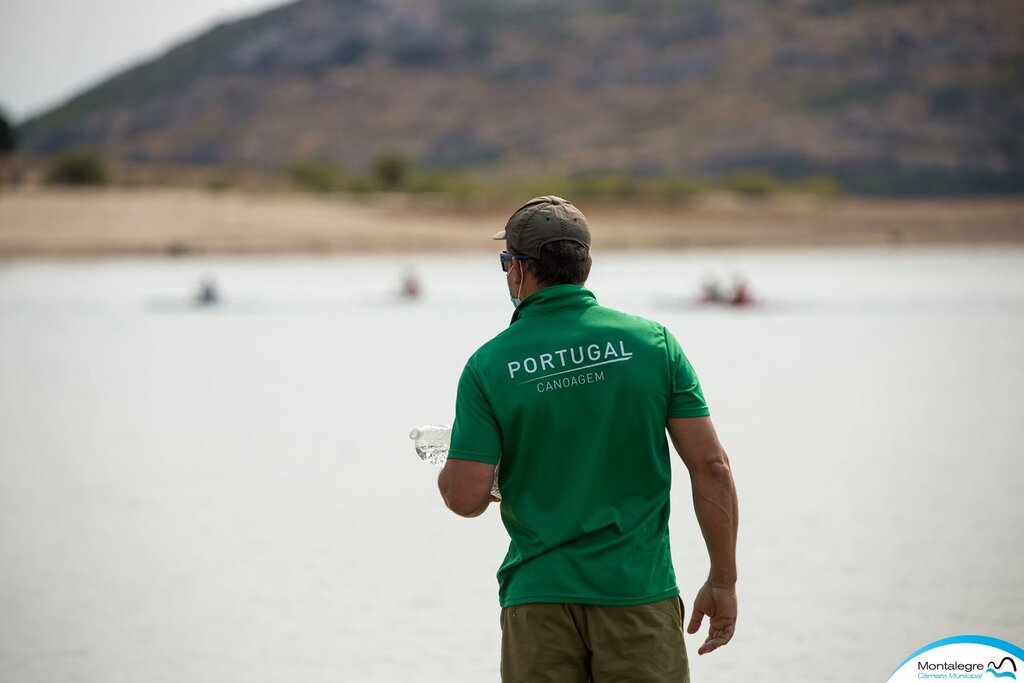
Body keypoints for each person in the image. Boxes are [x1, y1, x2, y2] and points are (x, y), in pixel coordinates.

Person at [438, 196, 738, 683]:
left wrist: (454, 464)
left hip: (538, 601)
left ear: (517, 270)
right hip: (637, 593)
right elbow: (712, 467)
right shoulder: (653, 343)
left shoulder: (489, 365)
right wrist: (723, 579)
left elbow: (466, 498)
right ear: (587, 266)